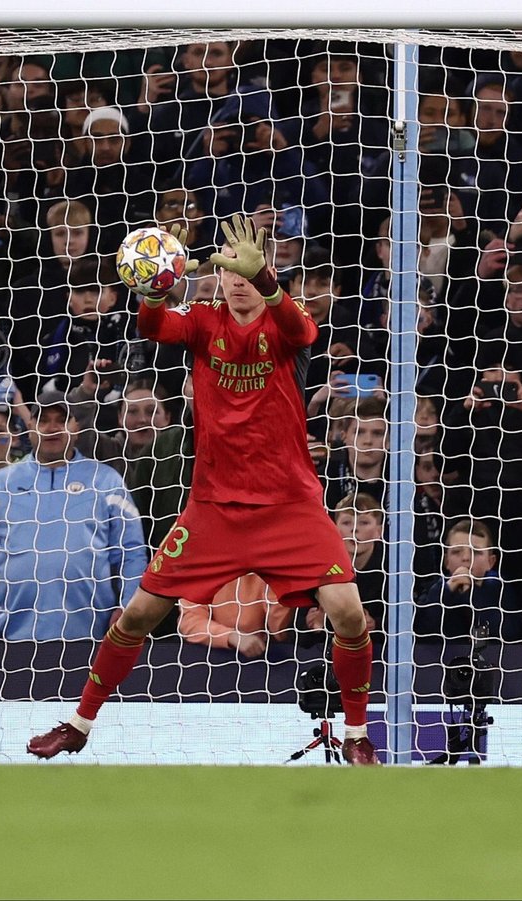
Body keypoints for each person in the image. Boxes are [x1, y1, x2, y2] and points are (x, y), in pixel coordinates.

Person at [26, 214, 380, 765]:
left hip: (290, 507)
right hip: (214, 509)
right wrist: (150, 290)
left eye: (249, 267)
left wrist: (266, 280)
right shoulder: (202, 320)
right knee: (138, 615)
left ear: (266, 269)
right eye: (228, 269)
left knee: (349, 613)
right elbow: (153, 328)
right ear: (216, 276)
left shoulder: (289, 322)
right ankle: (78, 723)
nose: (236, 278)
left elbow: (303, 332)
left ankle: (357, 735)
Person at [0, 401, 148, 641]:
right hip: (13, 641)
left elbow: (132, 553)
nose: (52, 428)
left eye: (61, 420)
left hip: (93, 640)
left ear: (75, 427)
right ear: (29, 426)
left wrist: (128, 606)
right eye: (44, 420)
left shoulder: (107, 481)